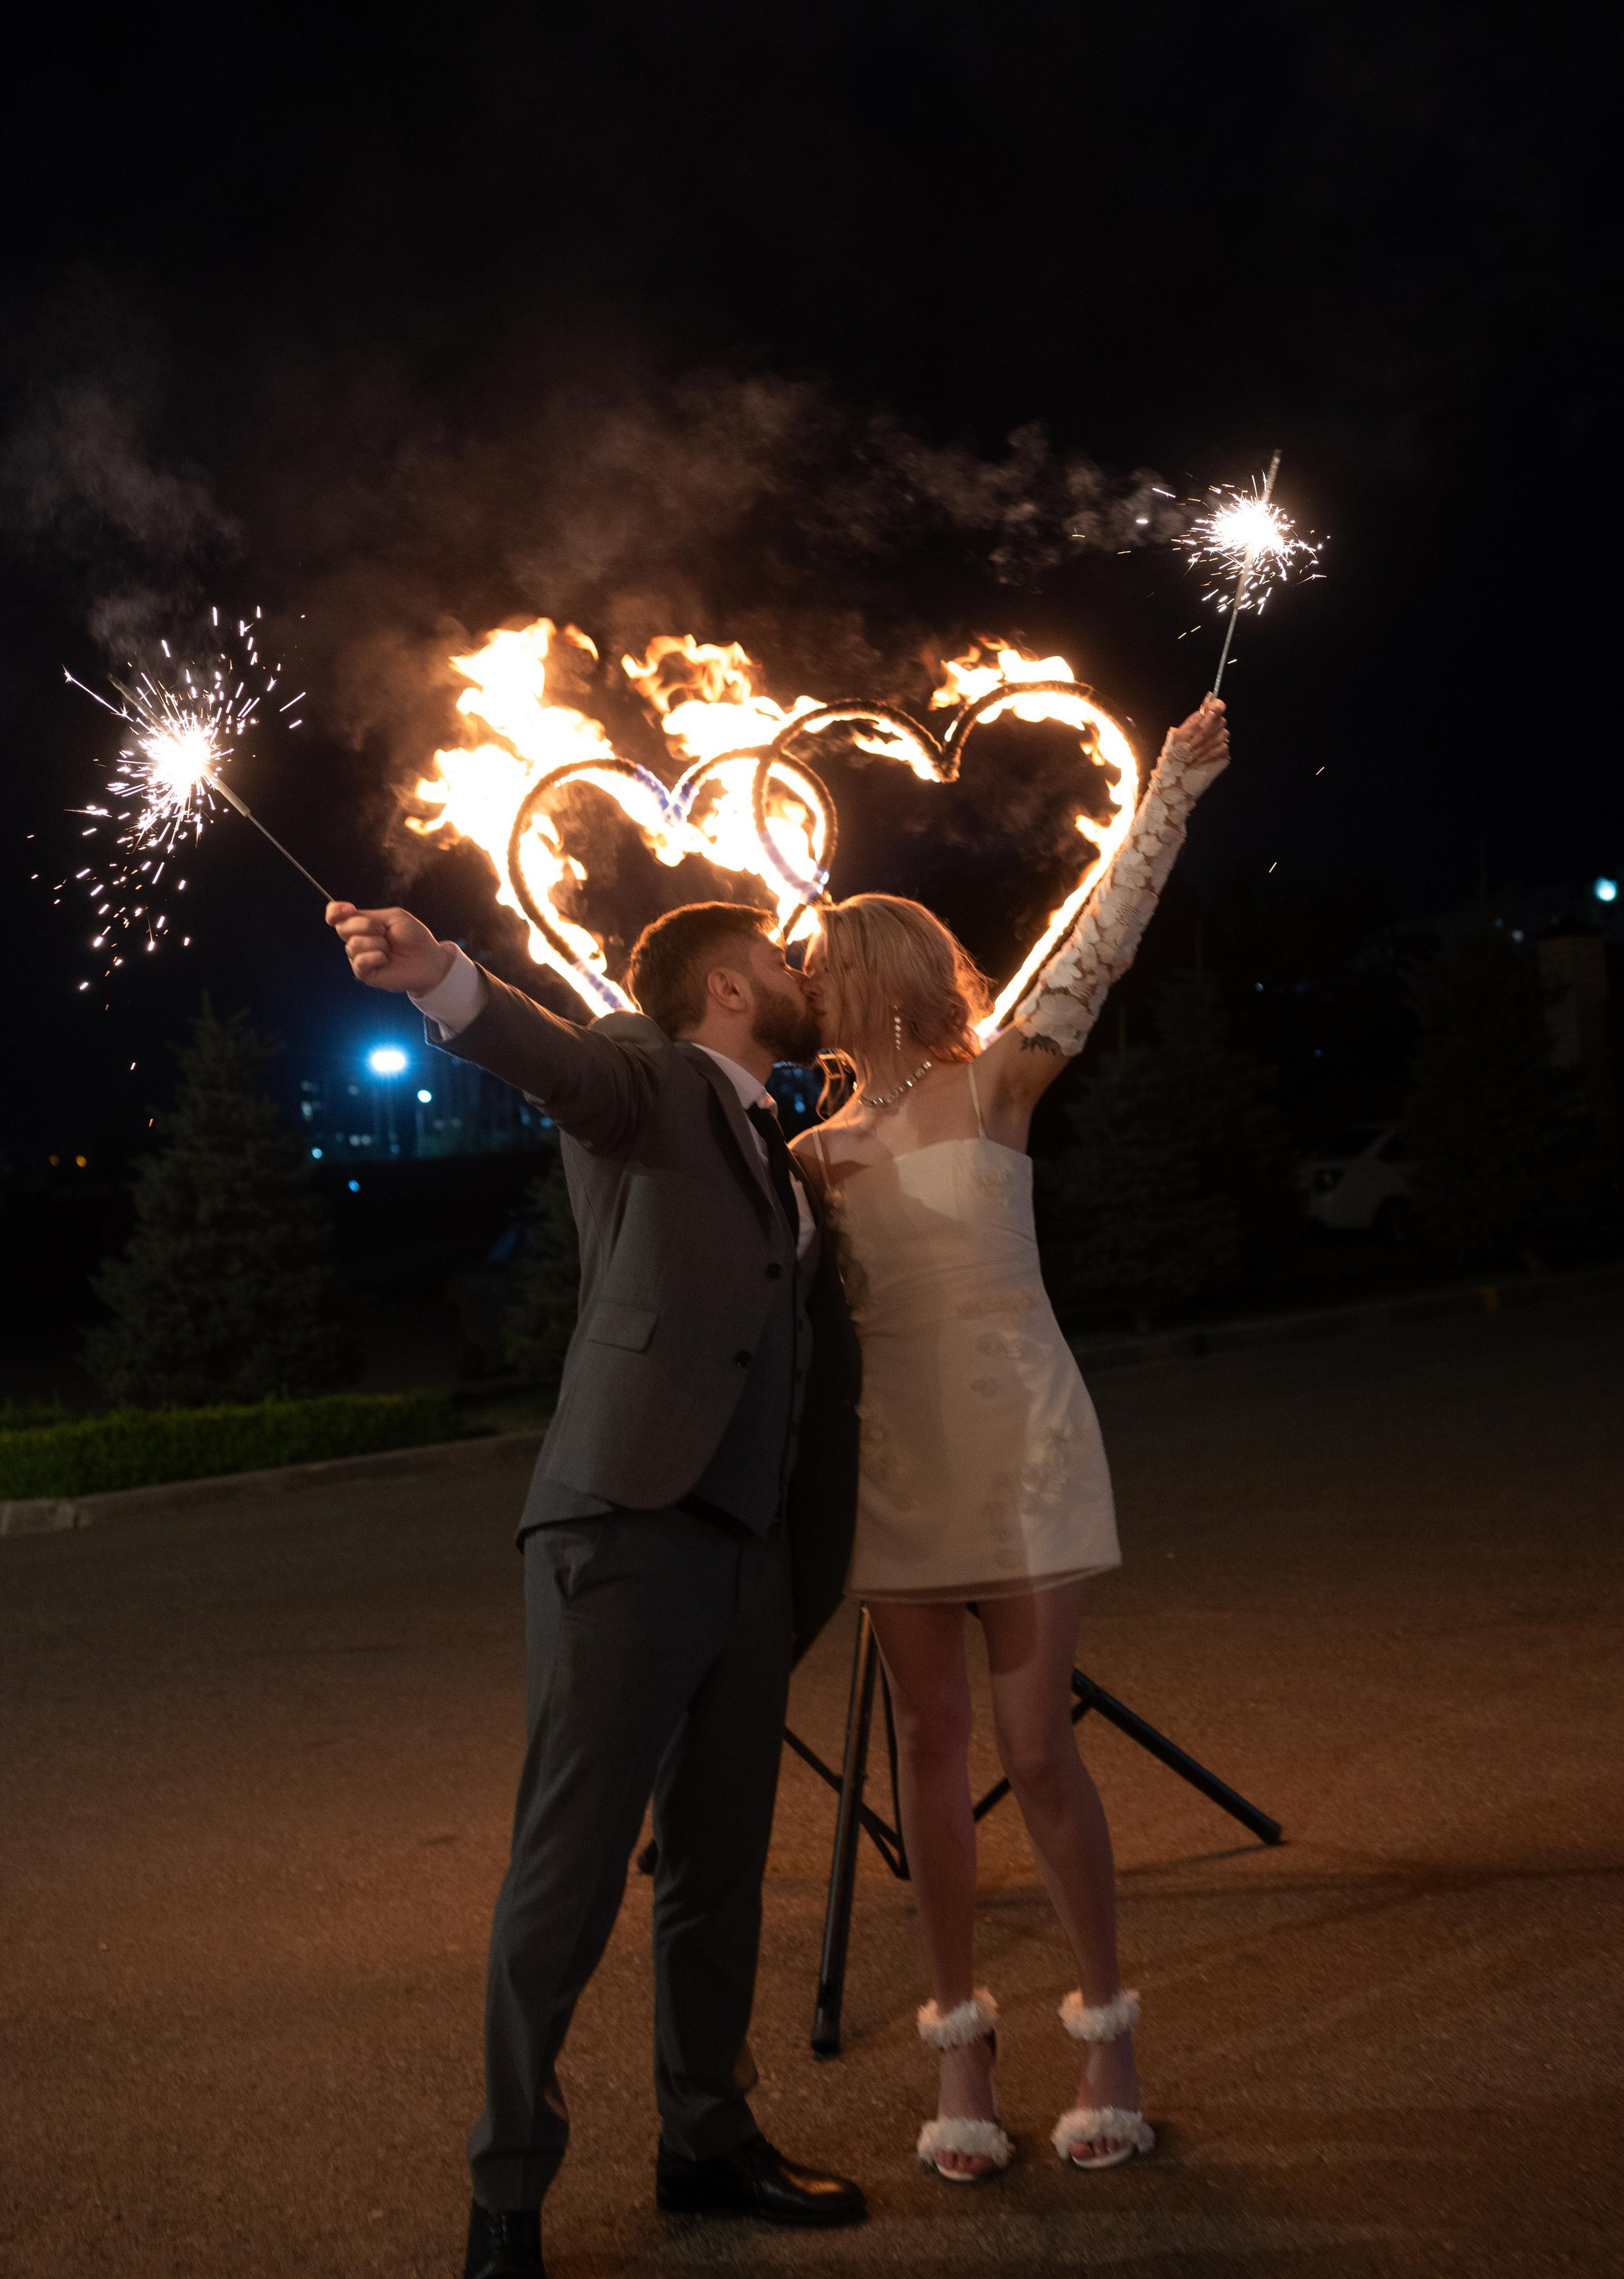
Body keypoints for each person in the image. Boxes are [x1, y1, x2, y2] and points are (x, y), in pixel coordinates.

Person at [326, 895, 867, 2279]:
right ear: (729, 984)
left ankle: (706, 2138)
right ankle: (507, 2191)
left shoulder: (781, 1150)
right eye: (781, 956)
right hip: (623, 1532)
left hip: (744, 1549)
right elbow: (552, 1060)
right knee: (566, 1880)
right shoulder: (650, 1084)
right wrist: (439, 976)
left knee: (719, 1869)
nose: (801, 968)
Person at [793, 692, 1230, 2184]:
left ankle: (1104, 2036)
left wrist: (1164, 790)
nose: (811, 989)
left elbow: (1102, 937)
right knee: (927, 1755)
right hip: (894, 1468)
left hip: (1025, 1444)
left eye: (829, 967)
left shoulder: (1002, 1083)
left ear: (896, 974)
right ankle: (956, 2040)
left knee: (1037, 1747)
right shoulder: (808, 1154)